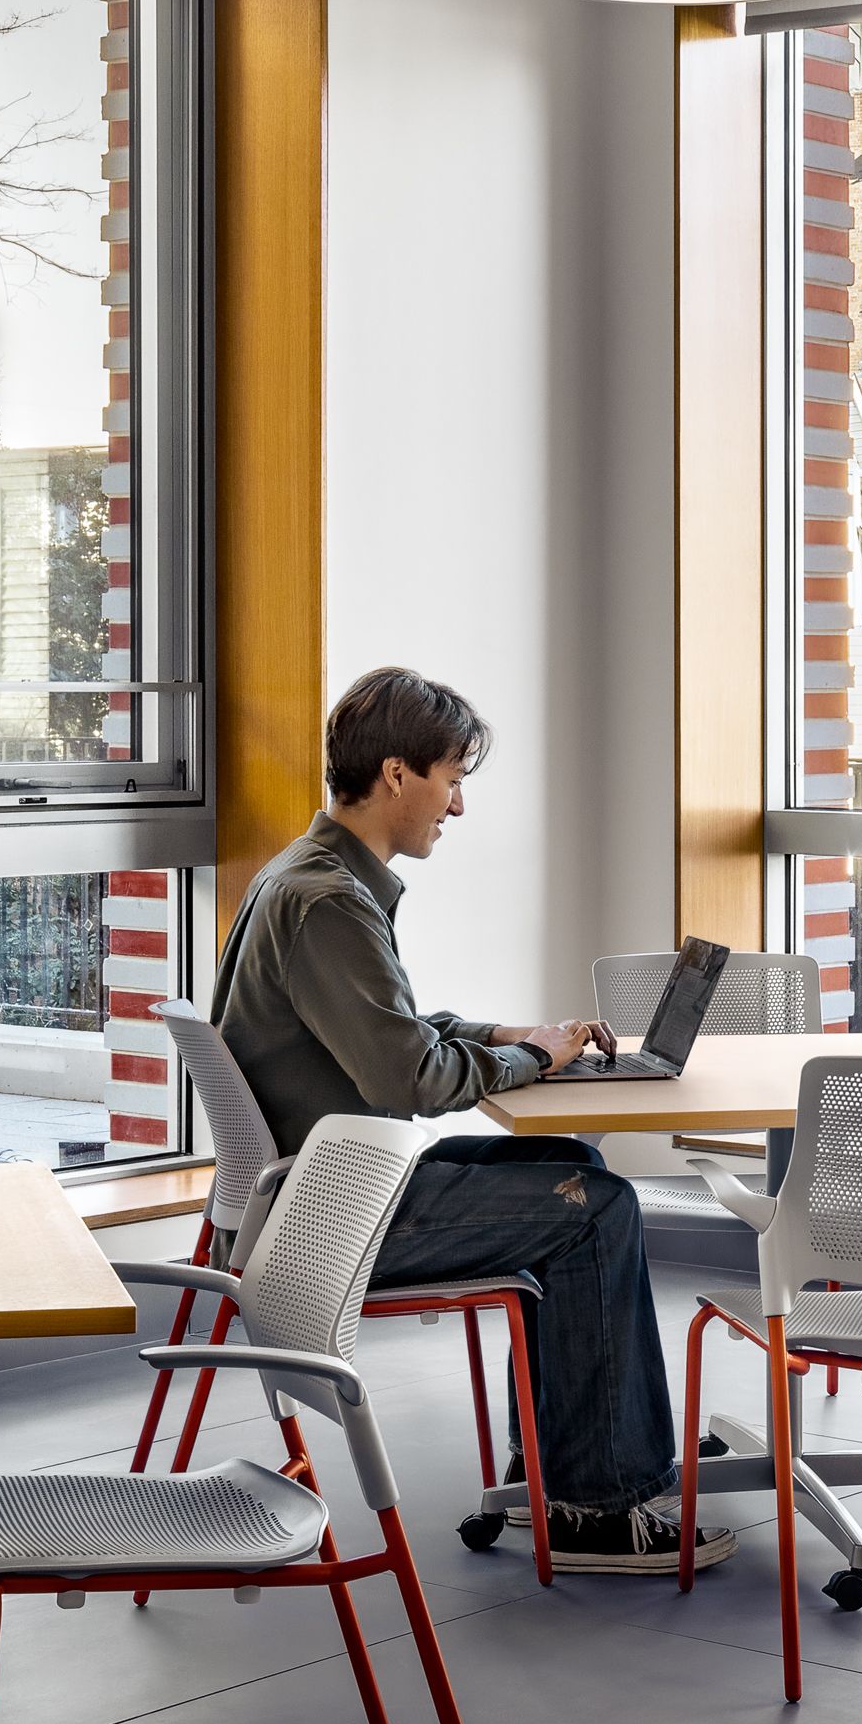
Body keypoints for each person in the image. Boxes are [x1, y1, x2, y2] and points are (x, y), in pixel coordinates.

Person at [211, 664, 735, 1575]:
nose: (456, 806)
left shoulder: (308, 876)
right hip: (332, 1218)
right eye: (452, 780)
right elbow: (413, 1075)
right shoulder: (330, 903)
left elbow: (390, 1031)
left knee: (573, 1163)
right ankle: (597, 1505)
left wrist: (507, 1036)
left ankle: (581, 1446)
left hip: (321, 1190)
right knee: (596, 1210)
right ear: (398, 775)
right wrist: (537, 1060)